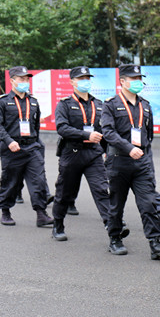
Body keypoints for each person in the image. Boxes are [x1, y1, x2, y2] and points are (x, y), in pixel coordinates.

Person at [101, 64, 160, 258]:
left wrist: (142, 152)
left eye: (140, 79)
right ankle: (115, 238)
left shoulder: (145, 104)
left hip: (141, 162)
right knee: (116, 203)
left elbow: (149, 134)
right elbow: (108, 132)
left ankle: (155, 243)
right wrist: (129, 148)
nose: (138, 82)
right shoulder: (110, 104)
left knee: (148, 203)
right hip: (119, 161)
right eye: (134, 79)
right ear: (122, 81)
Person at [50, 66, 113, 242]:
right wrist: (86, 135)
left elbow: (105, 131)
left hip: (93, 154)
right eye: (81, 78)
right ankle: (58, 224)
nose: (85, 81)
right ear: (72, 82)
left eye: (87, 78)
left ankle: (113, 228)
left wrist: (108, 151)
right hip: (72, 153)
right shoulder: (65, 104)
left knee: (102, 189)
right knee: (64, 192)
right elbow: (62, 128)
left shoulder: (99, 104)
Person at [0, 66, 54, 227]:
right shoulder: (2, 101)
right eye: (21, 79)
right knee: (10, 181)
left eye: (27, 79)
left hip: (31, 147)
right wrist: (9, 141)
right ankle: (5, 211)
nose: (25, 82)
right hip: (11, 148)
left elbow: (35, 125)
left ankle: (41, 214)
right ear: (12, 80)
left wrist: (36, 143)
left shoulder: (33, 101)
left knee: (38, 181)